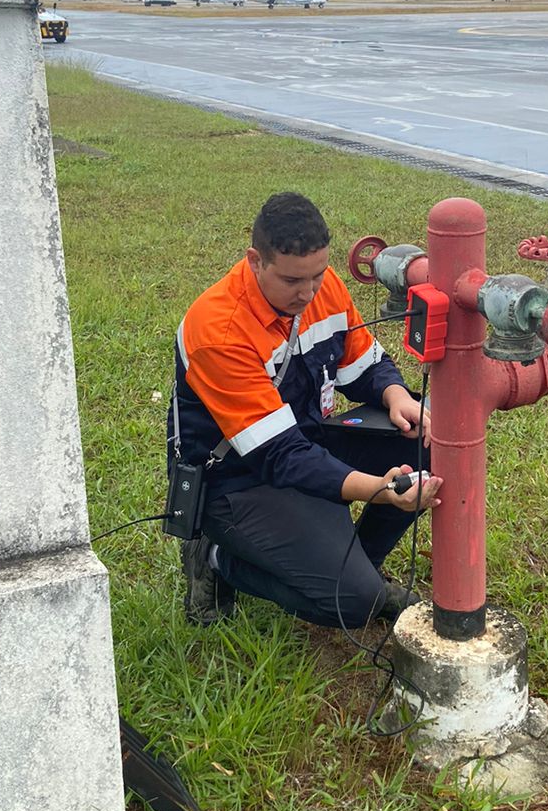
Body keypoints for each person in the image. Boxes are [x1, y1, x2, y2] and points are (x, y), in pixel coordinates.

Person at [170, 192, 441, 628]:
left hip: (306, 443)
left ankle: (358, 570)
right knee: (351, 604)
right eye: (293, 280)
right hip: (239, 481)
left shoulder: (323, 283)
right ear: (255, 260)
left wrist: (396, 395)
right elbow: (278, 455)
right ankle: (217, 558)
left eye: (317, 275)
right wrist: (377, 487)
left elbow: (363, 364)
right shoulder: (218, 331)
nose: (309, 292)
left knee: (430, 445)